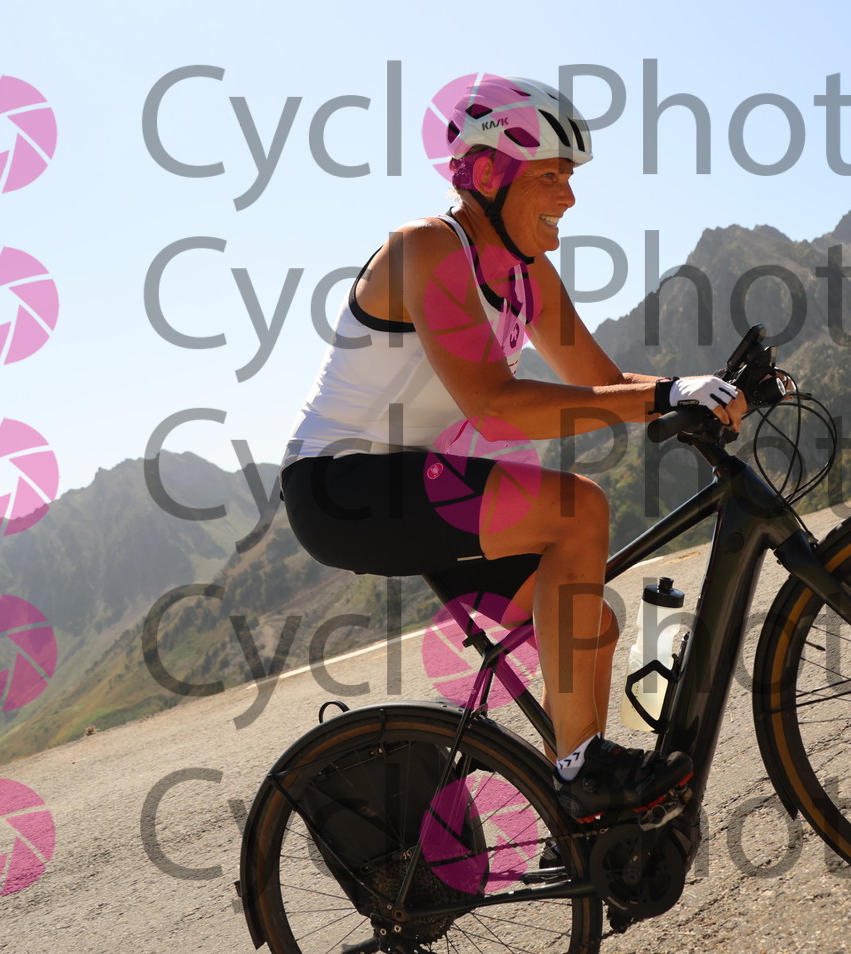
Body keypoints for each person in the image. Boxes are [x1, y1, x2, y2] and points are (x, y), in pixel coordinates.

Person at [279, 75, 746, 822]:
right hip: (341, 485)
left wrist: (695, 387)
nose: (569, 197)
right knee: (576, 509)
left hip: (428, 481)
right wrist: (659, 398)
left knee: (590, 628)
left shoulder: (528, 276)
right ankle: (582, 772)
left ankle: (582, 827)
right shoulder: (426, 248)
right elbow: (494, 407)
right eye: (551, 177)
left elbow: (599, 381)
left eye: (570, 178)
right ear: (489, 175)